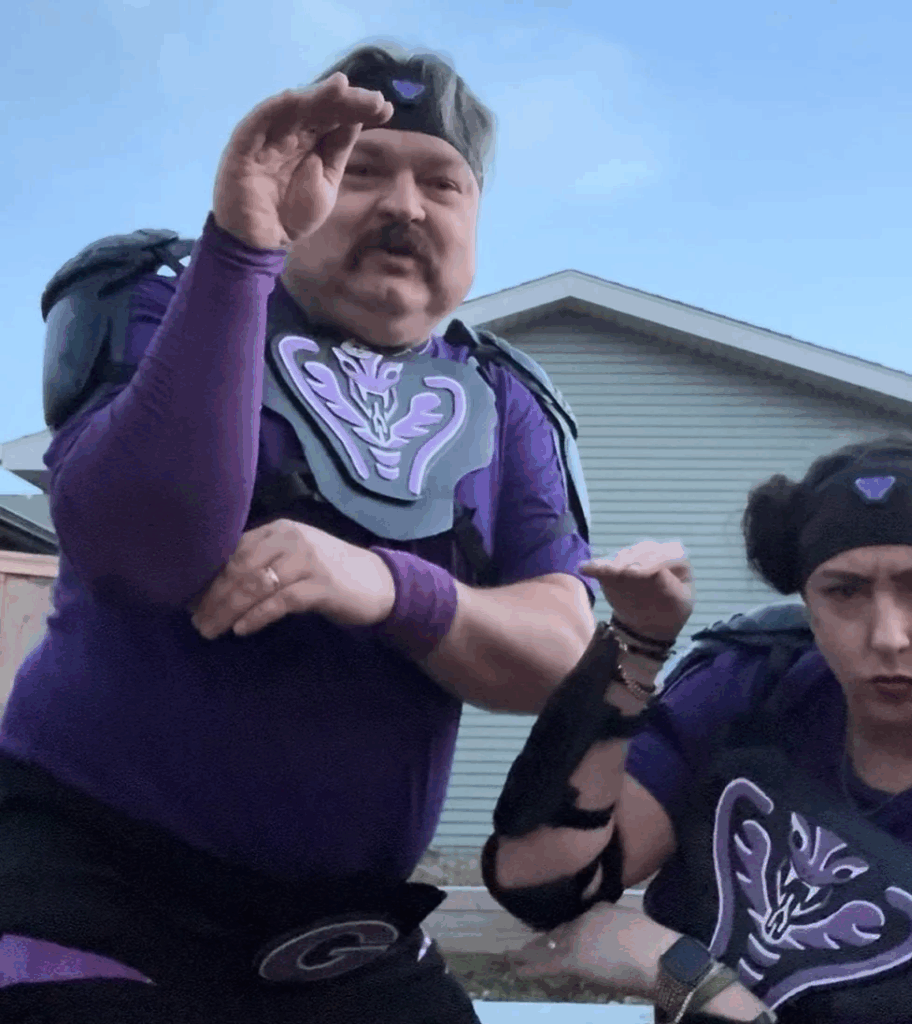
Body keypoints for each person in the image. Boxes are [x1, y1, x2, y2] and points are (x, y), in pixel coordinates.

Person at [0, 42, 596, 1023]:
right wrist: (241, 245)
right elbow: (143, 548)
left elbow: (559, 659)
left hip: (340, 938)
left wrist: (389, 586)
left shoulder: (506, 401)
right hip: (97, 902)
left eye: (441, 182)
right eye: (362, 170)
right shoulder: (167, 303)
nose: (405, 205)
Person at [481, 434, 912, 1023]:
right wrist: (639, 641)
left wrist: (684, 978)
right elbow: (542, 881)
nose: (887, 635)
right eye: (844, 592)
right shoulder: (755, 686)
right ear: (808, 604)